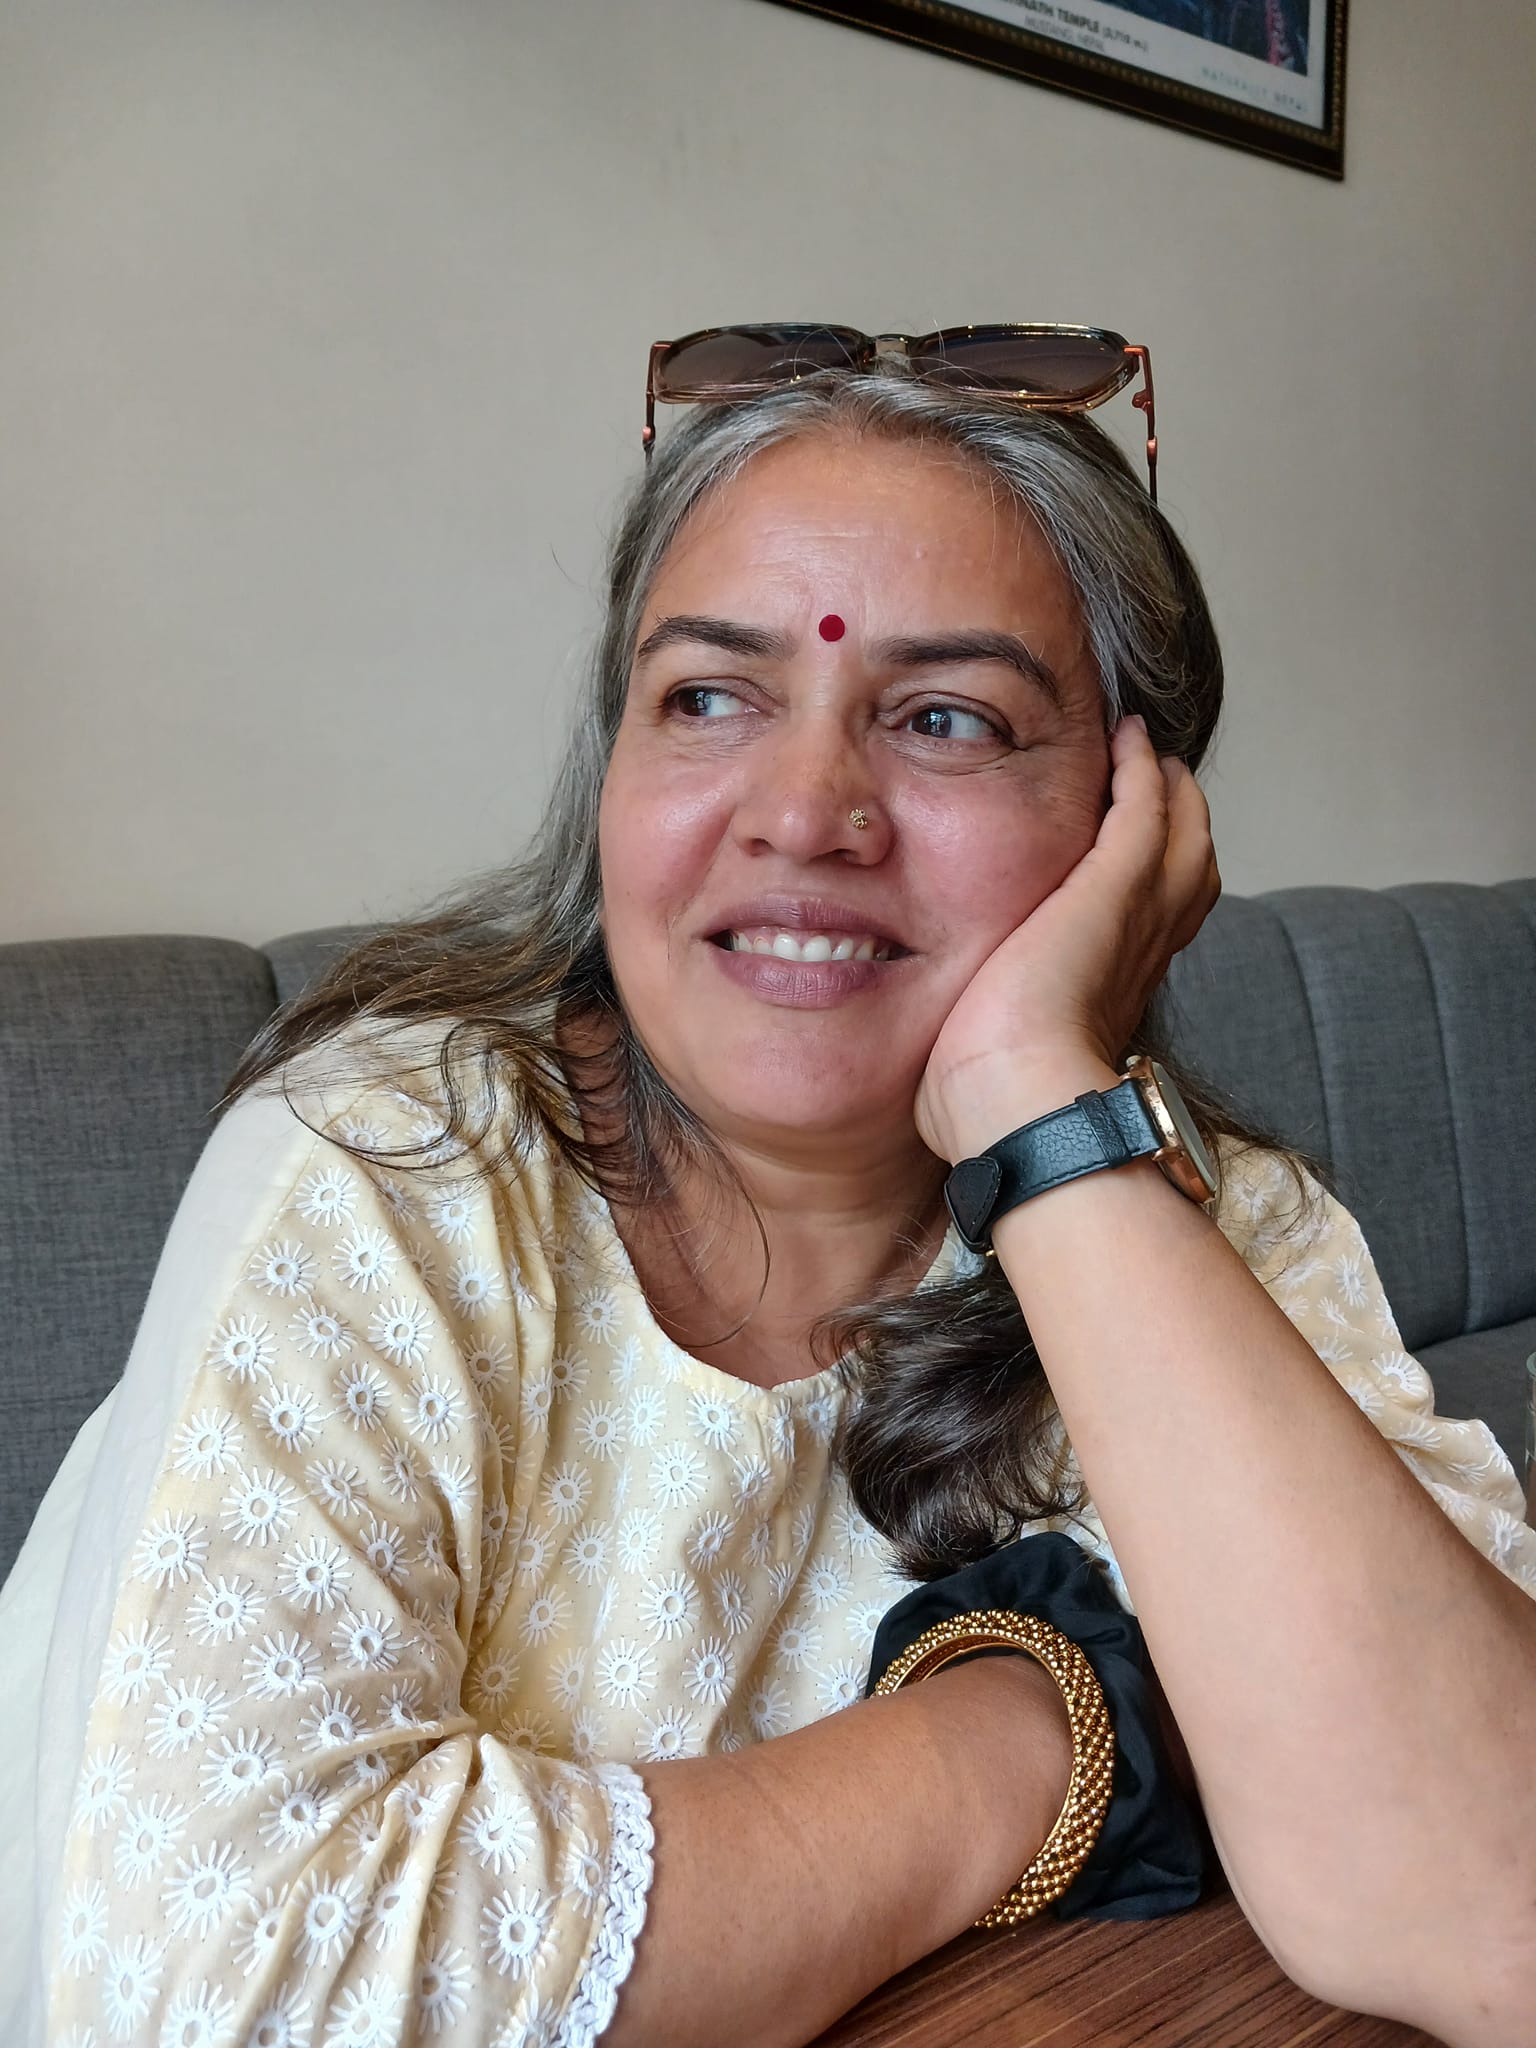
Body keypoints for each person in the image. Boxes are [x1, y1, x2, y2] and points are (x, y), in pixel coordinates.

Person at [27, 342, 1536, 2048]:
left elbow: (1499, 1913)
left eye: (947, 718)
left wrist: (1039, 1111)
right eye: (710, 698)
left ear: (1138, 821)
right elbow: (222, 1999)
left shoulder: (1211, 1215)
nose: (808, 812)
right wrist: (1038, 1729)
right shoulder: (376, 1165)